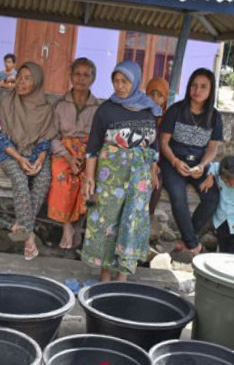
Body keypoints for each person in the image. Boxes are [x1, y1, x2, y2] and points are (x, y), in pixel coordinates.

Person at [82, 61, 161, 282]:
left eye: (124, 81)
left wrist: (154, 171)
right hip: (110, 176)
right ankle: (105, 275)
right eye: (116, 81)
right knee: (107, 221)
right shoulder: (106, 110)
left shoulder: (149, 110)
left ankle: (122, 278)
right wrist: (89, 177)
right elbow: (93, 147)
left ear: (135, 81)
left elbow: (153, 147)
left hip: (139, 177)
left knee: (132, 222)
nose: (119, 86)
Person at [0, 62, 56, 260]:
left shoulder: (45, 109)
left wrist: (39, 158)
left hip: (35, 153)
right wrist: (20, 159)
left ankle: (22, 225)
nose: (20, 82)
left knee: (44, 177)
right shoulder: (7, 102)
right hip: (10, 153)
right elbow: (2, 139)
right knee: (20, 179)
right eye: (19, 77)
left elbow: (45, 139)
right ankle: (29, 236)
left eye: (27, 78)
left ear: (37, 82)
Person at [159, 68, 223, 256]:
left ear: (211, 90)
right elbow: (163, 142)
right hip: (172, 161)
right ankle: (194, 245)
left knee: (212, 197)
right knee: (178, 196)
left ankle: (187, 240)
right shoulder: (176, 110)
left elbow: (212, 148)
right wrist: (175, 162)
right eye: (194, 85)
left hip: (198, 164)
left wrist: (202, 166)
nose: (197, 90)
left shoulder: (215, 117)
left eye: (203, 86)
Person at [47, 58, 99, 250]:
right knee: (62, 177)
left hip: (89, 153)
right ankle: (67, 227)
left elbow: (99, 138)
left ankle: (78, 226)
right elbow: (51, 136)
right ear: (71, 76)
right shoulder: (60, 105)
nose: (81, 79)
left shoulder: (97, 108)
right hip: (63, 152)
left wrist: (87, 158)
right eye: (77, 74)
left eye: (86, 75)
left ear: (93, 79)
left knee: (88, 180)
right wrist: (68, 157)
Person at [145, 77, 169, 215]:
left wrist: (156, 165)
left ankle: (147, 219)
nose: (155, 99)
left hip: (159, 161)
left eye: (160, 96)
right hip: (142, 157)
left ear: (165, 99)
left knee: (157, 184)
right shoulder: (139, 114)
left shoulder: (167, 118)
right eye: (151, 94)